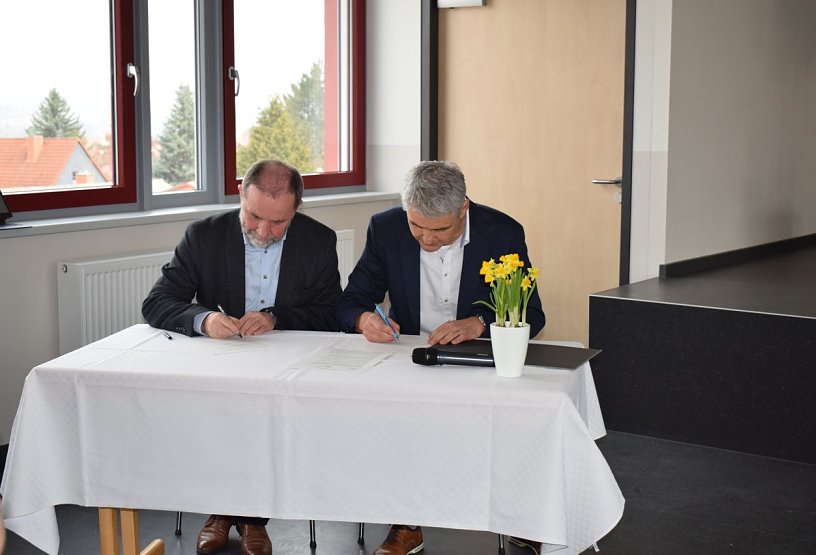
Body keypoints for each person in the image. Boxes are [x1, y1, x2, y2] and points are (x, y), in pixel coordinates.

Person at [337, 160, 546, 555]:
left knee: (522, 416)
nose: (426, 240)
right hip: (414, 357)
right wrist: (365, 319)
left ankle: (521, 515)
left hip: (480, 358)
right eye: (417, 227)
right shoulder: (386, 228)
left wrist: (480, 323)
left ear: (463, 208)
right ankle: (406, 523)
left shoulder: (501, 232)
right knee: (395, 419)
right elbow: (350, 302)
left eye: (438, 230)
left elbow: (532, 316)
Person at [142, 159, 342, 555]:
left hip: (286, 365)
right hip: (222, 361)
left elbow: (331, 312)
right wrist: (204, 318)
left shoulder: (319, 240)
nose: (264, 232)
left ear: (297, 209)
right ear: (240, 196)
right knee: (219, 415)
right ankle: (218, 511)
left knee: (268, 416)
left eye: (278, 223)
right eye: (254, 217)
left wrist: (276, 317)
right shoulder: (204, 236)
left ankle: (253, 517)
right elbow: (157, 301)